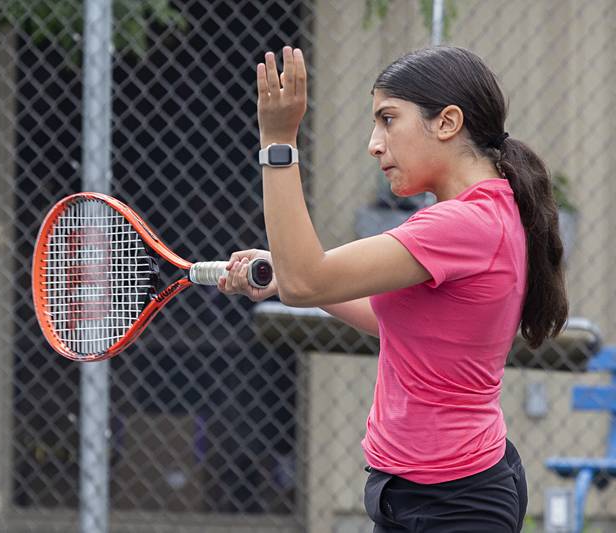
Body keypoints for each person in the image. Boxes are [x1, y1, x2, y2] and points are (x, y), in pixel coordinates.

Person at [218, 46, 568, 532]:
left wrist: (278, 141)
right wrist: (287, 275)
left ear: (447, 122)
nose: (374, 144)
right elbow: (388, 318)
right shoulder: (481, 213)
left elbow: (307, 279)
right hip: (410, 490)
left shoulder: (465, 222)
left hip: (456, 502)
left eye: (388, 119)